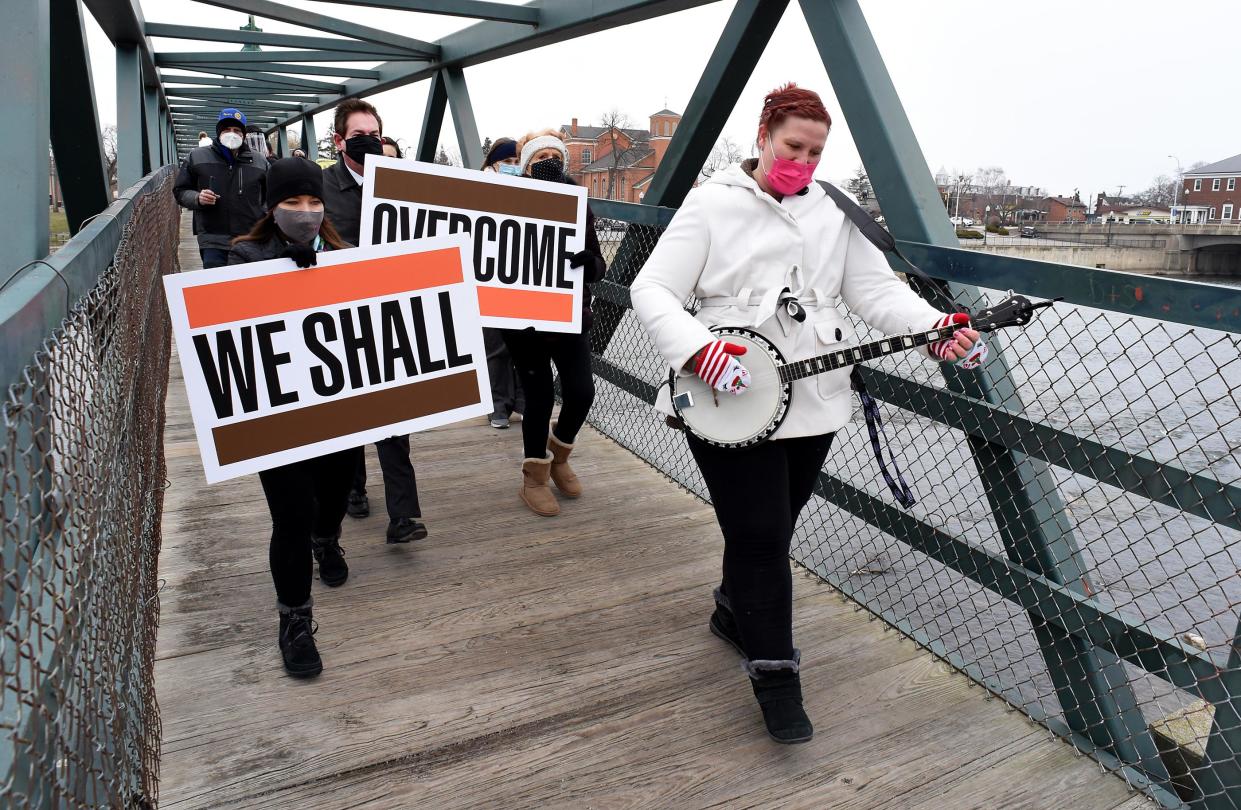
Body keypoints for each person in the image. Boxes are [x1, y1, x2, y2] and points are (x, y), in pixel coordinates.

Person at [630, 83, 978, 744]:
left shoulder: (834, 212)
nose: (804, 162)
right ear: (762, 136)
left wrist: (934, 326)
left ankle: (734, 610)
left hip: (815, 399)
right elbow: (652, 288)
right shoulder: (709, 205)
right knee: (760, 538)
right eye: (794, 146)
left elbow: (873, 291)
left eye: (816, 153)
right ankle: (775, 675)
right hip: (725, 397)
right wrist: (698, 351)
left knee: (770, 530)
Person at [227, 157, 354, 678]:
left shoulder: (345, 256)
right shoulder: (243, 256)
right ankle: (295, 620)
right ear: (270, 207)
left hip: (337, 407)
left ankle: (328, 538)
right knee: (292, 516)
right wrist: (279, 276)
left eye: (313, 203)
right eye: (292, 203)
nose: (305, 213)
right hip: (276, 414)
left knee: (336, 495)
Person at [322, 98, 428, 544]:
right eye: (358, 135)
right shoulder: (320, 184)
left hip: (388, 312)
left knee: (392, 413)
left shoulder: (401, 183)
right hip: (336, 312)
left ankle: (403, 515)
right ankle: (354, 489)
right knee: (348, 412)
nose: (367, 141)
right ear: (339, 140)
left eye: (373, 134)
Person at [503, 130, 606, 517]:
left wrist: (587, 261)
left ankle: (560, 453)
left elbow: (599, 264)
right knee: (540, 396)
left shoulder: (579, 205)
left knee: (581, 392)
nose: (548, 161)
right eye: (539, 156)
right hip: (523, 321)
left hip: (568, 315)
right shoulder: (508, 202)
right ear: (526, 166)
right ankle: (534, 477)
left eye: (554, 154)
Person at [173, 108, 269, 268]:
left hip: (250, 238)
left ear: (243, 135)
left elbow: (271, 196)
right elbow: (180, 191)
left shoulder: (259, 161)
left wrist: (262, 219)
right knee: (217, 290)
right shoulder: (196, 156)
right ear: (218, 132)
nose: (232, 134)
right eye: (226, 129)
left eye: (237, 130)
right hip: (212, 239)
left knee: (248, 290)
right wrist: (198, 198)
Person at [480, 137, 525, 429]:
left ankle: (521, 400)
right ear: (493, 163)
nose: (512, 167)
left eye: (515, 162)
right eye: (506, 162)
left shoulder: (529, 189)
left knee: (523, 344)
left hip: (522, 279)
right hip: (488, 278)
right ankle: (497, 406)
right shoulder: (478, 189)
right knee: (495, 345)